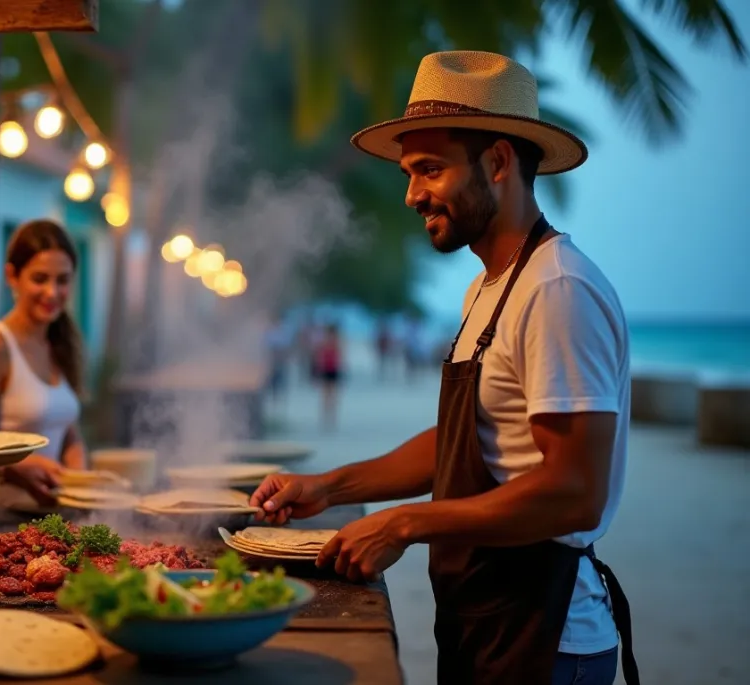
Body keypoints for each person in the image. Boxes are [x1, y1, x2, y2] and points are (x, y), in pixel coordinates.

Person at [250, 51, 639, 685]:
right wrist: (330, 486)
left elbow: (575, 491)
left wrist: (407, 522)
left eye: (429, 170)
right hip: (483, 619)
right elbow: (467, 443)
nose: (411, 195)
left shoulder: (556, 288)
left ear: (498, 161)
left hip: (548, 638)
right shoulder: (489, 287)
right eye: (408, 173)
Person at [0, 219, 87, 510]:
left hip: (53, 515)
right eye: (40, 279)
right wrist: (21, 466)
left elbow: (68, 431)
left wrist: (82, 480)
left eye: (63, 280)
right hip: (0, 517)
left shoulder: (60, 341)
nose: (52, 292)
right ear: (12, 276)